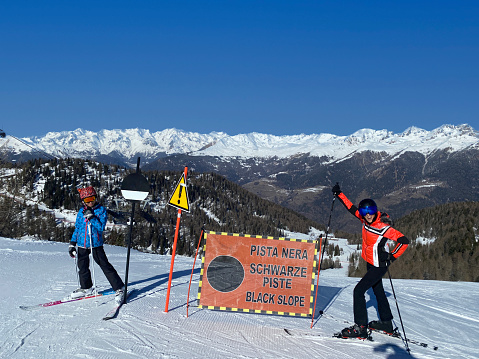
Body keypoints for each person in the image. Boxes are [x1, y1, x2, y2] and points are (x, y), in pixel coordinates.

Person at [332, 183, 409, 339]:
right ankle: (387, 323)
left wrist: (392, 256)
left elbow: (404, 241)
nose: (368, 215)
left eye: (371, 211)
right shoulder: (363, 219)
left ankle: (360, 328)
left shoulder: (383, 227)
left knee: (358, 291)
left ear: (375, 211)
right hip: (370, 262)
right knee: (378, 291)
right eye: (365, 212)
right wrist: (339, 194)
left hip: (379, 265)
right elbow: (351, 208)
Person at [69, 186, 124, 303]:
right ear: (83, 201)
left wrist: (92, 217)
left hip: (95, 244)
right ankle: (86, 288)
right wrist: (72, 243)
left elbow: (100, 227)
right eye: (87, 200)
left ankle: (119, 288)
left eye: (92, 198)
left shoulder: (101, 210)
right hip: (82, 244)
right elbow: (78, 228)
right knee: (82, 267)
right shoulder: (81, 212)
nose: (90, 202)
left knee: (104, 265)